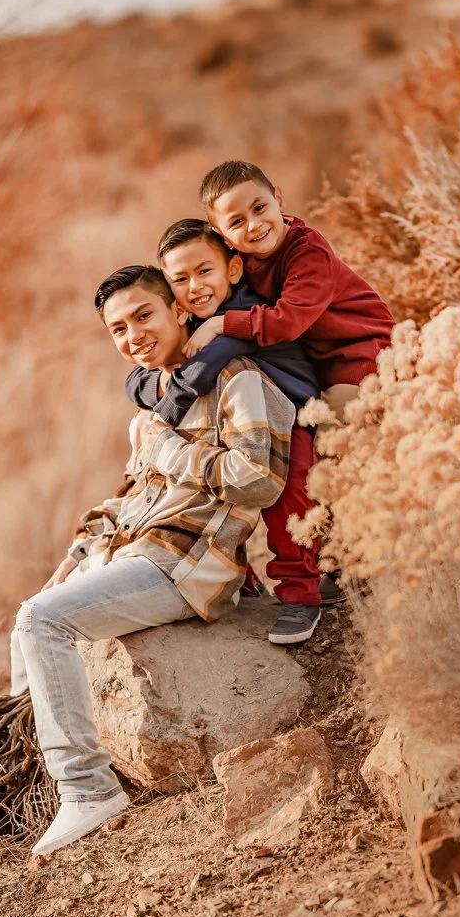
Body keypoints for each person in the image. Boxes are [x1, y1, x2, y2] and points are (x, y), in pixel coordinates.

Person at [11, 264, 295, 858]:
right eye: (118, 328)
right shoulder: (152, 406)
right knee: (25, 621)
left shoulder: (238, 380)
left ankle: (88, 790)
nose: (133, 334)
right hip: (138, 551)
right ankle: (40, 783)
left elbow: (260, 481)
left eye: (144, 315)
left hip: (189, 565)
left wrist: (174, 451)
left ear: (178, 312)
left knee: (44, 622)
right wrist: (78, 553)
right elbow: (133, 496)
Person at [125, 217, 333, 645]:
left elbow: (196, 372)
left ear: (233, 270)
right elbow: (135, 380)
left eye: (205, 272)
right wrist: (155, 384)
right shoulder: (192, 322)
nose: (195, 286)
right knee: (202, 485)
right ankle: (240, 578)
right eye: (179, 279)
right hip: (238, 420)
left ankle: (301, 596)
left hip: (290, 417)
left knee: (287, 498)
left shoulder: (244, 317)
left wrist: (163, 412)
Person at [186, 159, 395, 421]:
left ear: (278, 198)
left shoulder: (308, 253)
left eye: (260, 208)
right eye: (237, 222)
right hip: (315, 367)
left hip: (362, 355)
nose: (254, 224)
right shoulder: (240, 258)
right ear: (222, 234)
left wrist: (219, 324)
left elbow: (287, 321)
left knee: (328, 435)